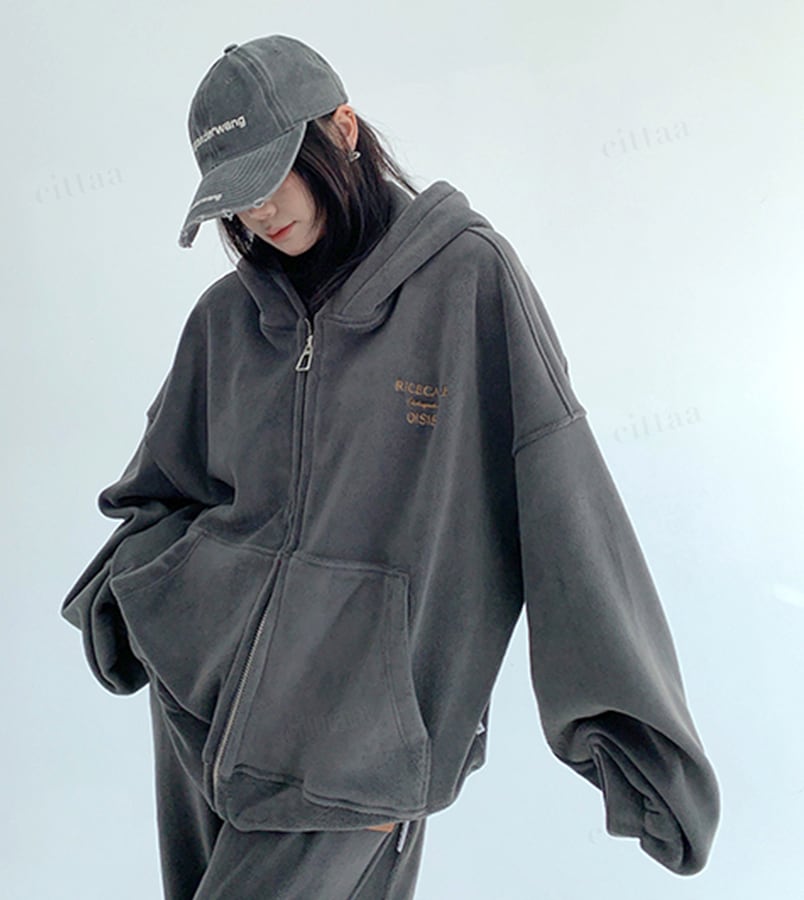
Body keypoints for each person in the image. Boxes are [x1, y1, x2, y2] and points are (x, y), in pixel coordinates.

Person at [61, 34, 720, 899]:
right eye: (235, 196)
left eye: (272, 175)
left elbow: (561, 494)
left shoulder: (467, 281)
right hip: (198, 716)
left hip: (359, 756)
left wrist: (636, 741)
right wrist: (149, 608)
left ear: (342, 130)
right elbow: (157, 493)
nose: (257, 212)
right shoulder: (226, 319)